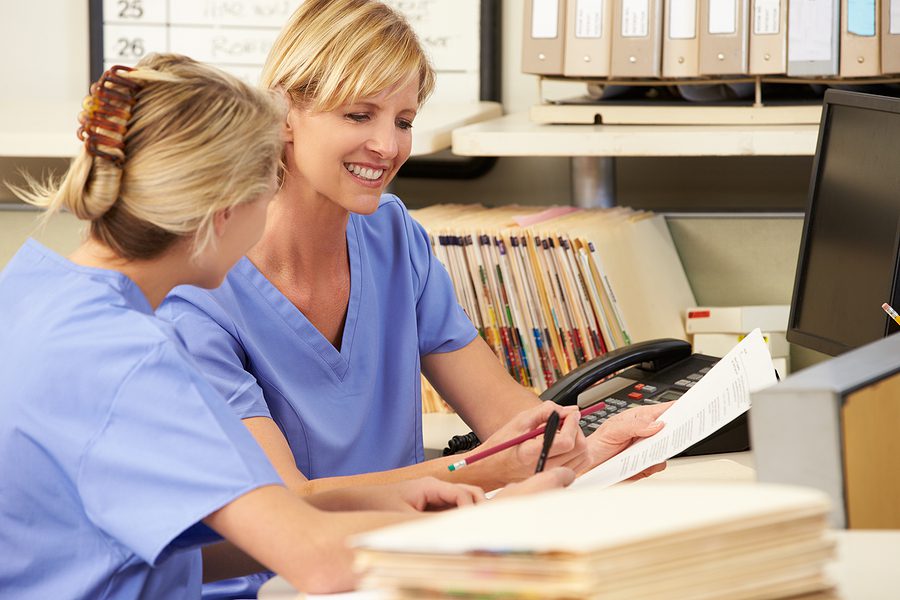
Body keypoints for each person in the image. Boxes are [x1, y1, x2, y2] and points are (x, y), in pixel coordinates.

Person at [0, 54, 572, 599]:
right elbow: (318, 563)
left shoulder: (29, 291)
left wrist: (387, 503)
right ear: (224, 211)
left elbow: (169, 548)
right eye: (268, 187)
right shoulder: (131, 359)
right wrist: (497, 520)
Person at [160, 2, 668, 594]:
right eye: (358, 114)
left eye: (403, 120)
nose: (386, 144)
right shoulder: (197, 292)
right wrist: (478, 468)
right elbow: (287, 506)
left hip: (404, 570)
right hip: (279, 585)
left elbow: (515, 425)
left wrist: (592, 451)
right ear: (285, 113)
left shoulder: (393, 236)